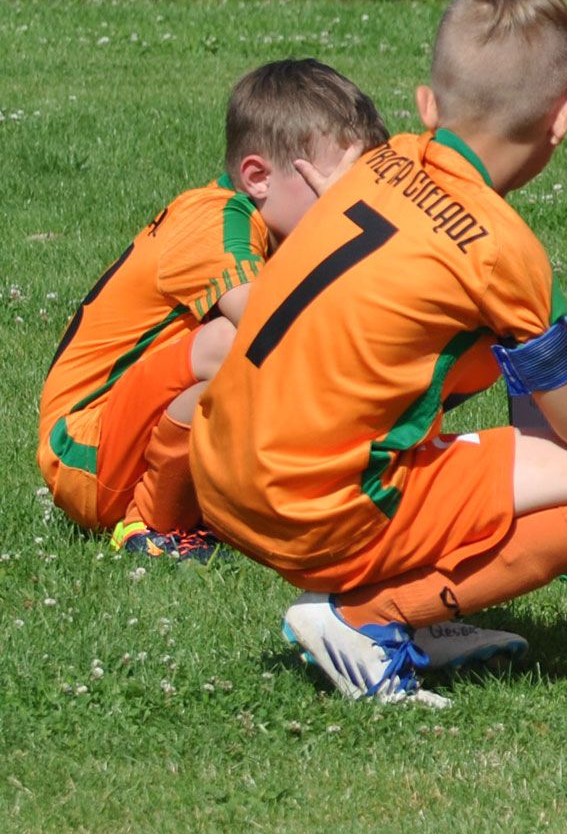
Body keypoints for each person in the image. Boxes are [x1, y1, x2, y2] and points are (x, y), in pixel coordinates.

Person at [192, 0, 567, 706]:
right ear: (563, 120)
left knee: (450, 384)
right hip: (316, 507)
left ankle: (410, 610)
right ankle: (370, 618)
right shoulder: (501, 246)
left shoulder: (375, 168)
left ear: (425, 105)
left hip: (223, 466)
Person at [36, 59, 387, 561]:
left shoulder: (278, 226)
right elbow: (274, 323)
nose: (351, 207)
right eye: (336, 192)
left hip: (134, 437)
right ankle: (150, 524)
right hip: (83, 451)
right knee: (235, 344)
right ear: (258, 177)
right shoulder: (216, 220)